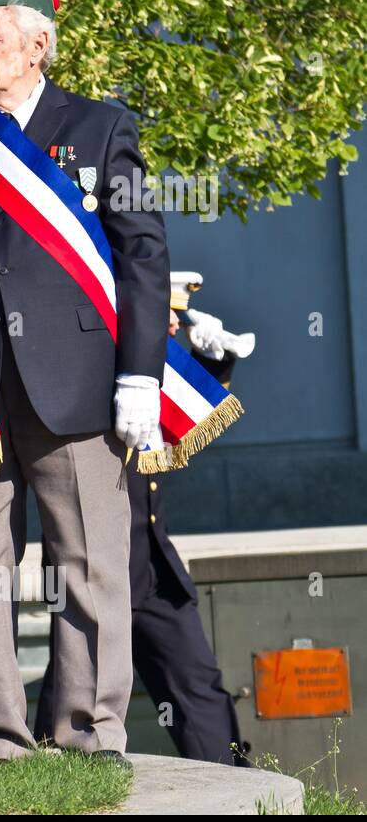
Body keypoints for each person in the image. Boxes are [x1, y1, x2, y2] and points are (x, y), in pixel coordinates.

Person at [0, 0, 170, 767]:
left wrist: (140, 374)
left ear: (38, 45)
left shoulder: (97, 128)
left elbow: (144, 254)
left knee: (90, 562)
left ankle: (88, 731)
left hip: (79, 386)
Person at [36, 271, 253, 765]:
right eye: (164, 314)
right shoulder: (97, 360)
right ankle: (52, 776)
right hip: (96, 563)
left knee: (198, 689)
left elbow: (176, 420)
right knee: (73, 688)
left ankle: (233, 783)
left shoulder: (146, 372)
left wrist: (213, 358)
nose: (169, 324)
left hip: (153, 567)